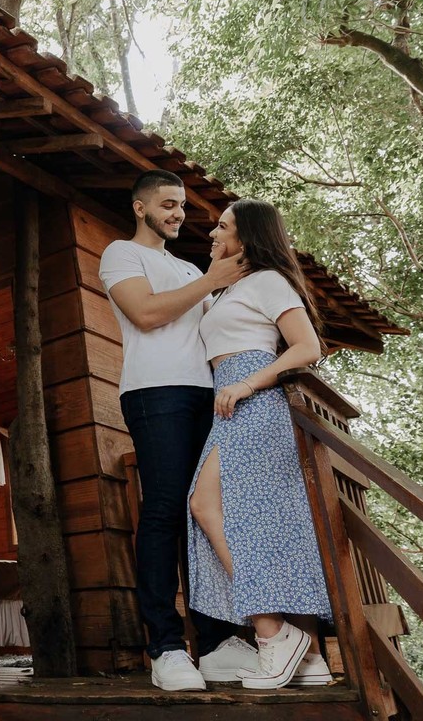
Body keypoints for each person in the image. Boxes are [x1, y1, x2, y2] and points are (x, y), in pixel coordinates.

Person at [99, 170, 256, 692]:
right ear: (141, 207)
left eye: (182, 206)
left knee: (203, 512)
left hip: (207, 395)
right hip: (155, 391)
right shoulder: (121, 253)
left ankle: (213, 644)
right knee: (165, 508)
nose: (178, 214)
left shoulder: (189, 268)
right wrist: (213, 280)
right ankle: (166, 647)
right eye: (168, 204)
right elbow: (145, 314)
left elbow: (217, 329)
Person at [187, 197, 335, 690]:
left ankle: (273, 635)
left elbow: (307, 347)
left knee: (205, 504)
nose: (213, 232)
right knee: (266, 525)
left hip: (253, 398)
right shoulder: (228, 290)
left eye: (222, 226)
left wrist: (249, 384)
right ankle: (309, 657)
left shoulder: (268, 280)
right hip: (229, 401)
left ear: (247, 235)